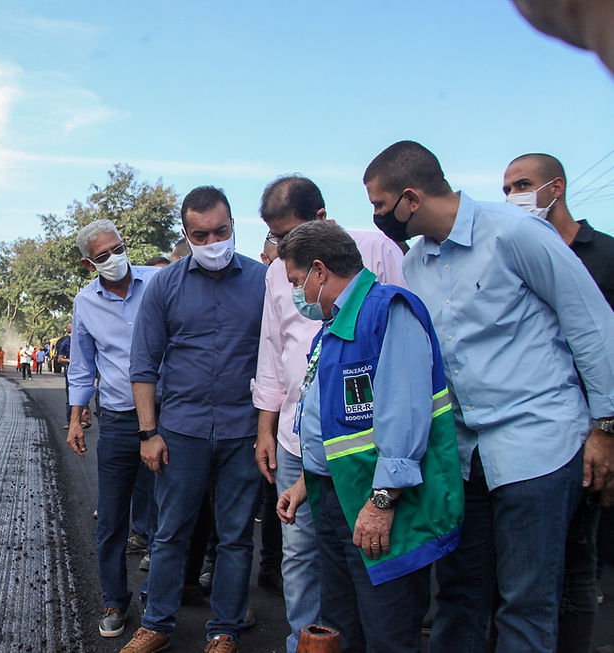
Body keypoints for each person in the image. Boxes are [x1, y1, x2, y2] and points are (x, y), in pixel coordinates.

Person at [363, 140, 614, 653]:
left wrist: (605, 427)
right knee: (459, 596)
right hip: (465, 455)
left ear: (410, 198)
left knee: (526, 604)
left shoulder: (517, 233)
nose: (376, 217)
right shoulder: (416, 266)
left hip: (537, 445)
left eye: (380, 205)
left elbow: (591, 325)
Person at [274, 220, 463, 652]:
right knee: (343, 628)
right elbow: (338, 421)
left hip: (380, 507)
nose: (295, 294)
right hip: (338, 500)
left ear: (320, 271)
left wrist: (383, 501)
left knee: (387, 632)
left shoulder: (387, 310)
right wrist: (307, 481)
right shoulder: (336, 325)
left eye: (297, 281)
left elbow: (406, 413)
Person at [252, 174, 407, 653]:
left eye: (288, 237)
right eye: (274, 238)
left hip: (365, 450)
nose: (279, 251)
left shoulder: (380, 269)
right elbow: (273, 350)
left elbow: (403, 383)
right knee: (304, 556)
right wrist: (269, 427)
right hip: (305, 443)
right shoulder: (283, 281)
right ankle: (307, 643)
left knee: (366, 561)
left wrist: (385, 488)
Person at [125, 186, 267, 653]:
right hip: (181, 431)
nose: (212, 242)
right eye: (200, 235)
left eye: (221, 232)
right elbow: (143, 363)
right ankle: (156, 625)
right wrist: (149, 433)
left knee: (235, 537)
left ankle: (223, 630)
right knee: (170, 533)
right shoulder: (165, 285)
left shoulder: (265, 282)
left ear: (234, 226)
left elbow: (281, 356)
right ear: (185, 235)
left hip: (243, 432)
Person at [503, 152, 614, 652]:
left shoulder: (604, 254)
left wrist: (605, 429)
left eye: (522, 185)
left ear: (556, 187)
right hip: (542, 431)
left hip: (595, 429)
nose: (513, 198)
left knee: (577, 561)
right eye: (505, 189)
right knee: (526, 573)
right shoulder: (517, 251)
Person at [66, 219, 160, 640]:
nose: (114, 259)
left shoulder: (159, 282)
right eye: (102, 256)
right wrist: (75, 415)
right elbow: (83, 366)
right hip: (120, 421)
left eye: (117, 248)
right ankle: (114, 601)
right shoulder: (85, 303)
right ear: (90, 264)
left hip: (166, 420)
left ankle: (158, 606)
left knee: (166, 515)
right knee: (112, 519)